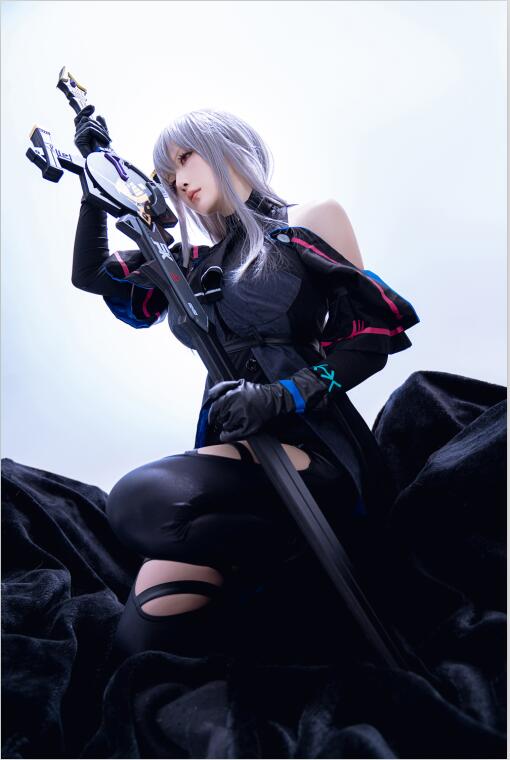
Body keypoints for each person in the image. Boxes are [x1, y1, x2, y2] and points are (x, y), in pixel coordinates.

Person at [71, 105, 420, 663]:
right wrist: (94, 182)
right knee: (140, 638)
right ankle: (282, 582)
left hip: (313, 446)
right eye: (167, 176)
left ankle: (294, 574)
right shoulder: (187, 264)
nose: (179, 182)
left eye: (186, 157)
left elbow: (370, 338)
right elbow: (92, 276)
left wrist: (284, 395)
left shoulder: (308, 219)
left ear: (227, 146)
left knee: (138, 501)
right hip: (235, 453)